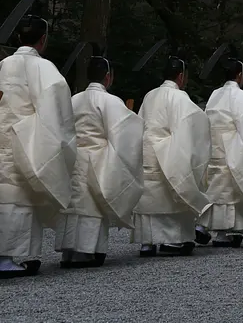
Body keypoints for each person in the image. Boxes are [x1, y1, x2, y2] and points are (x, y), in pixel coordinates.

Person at [0, 15, 75, 278]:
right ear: (43, 40)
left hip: (1, 141)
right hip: (25, 144)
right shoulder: (44, 70)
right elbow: (57, 115)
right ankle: (8, 259)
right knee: (19, 198)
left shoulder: (2, 65)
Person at [56, 54, 143, 268]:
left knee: (75, 203)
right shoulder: (110, 102)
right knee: (92, 205)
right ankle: (88, 251)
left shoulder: (73, 100)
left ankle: (69, 251)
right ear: (108, 77)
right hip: (98, 160)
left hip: (74, 158)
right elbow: (125, 136)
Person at [132, 56, 211, 257]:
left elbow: (140, 122)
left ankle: (147, 242)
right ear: (181, 76)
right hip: (168, 152)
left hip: (147, 150)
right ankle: (174, 241)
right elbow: (192, 125)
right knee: (173, 190)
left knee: (150, 195)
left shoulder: (150, 96)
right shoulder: (180, 98)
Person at [201, 57, 243, 247]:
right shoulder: (242, 98)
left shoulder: (215, 95)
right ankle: (223, 233)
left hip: (213, 148)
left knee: (214, 190)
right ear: (240, 75)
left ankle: (203, 226)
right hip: (231, 149)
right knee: (229, 193)